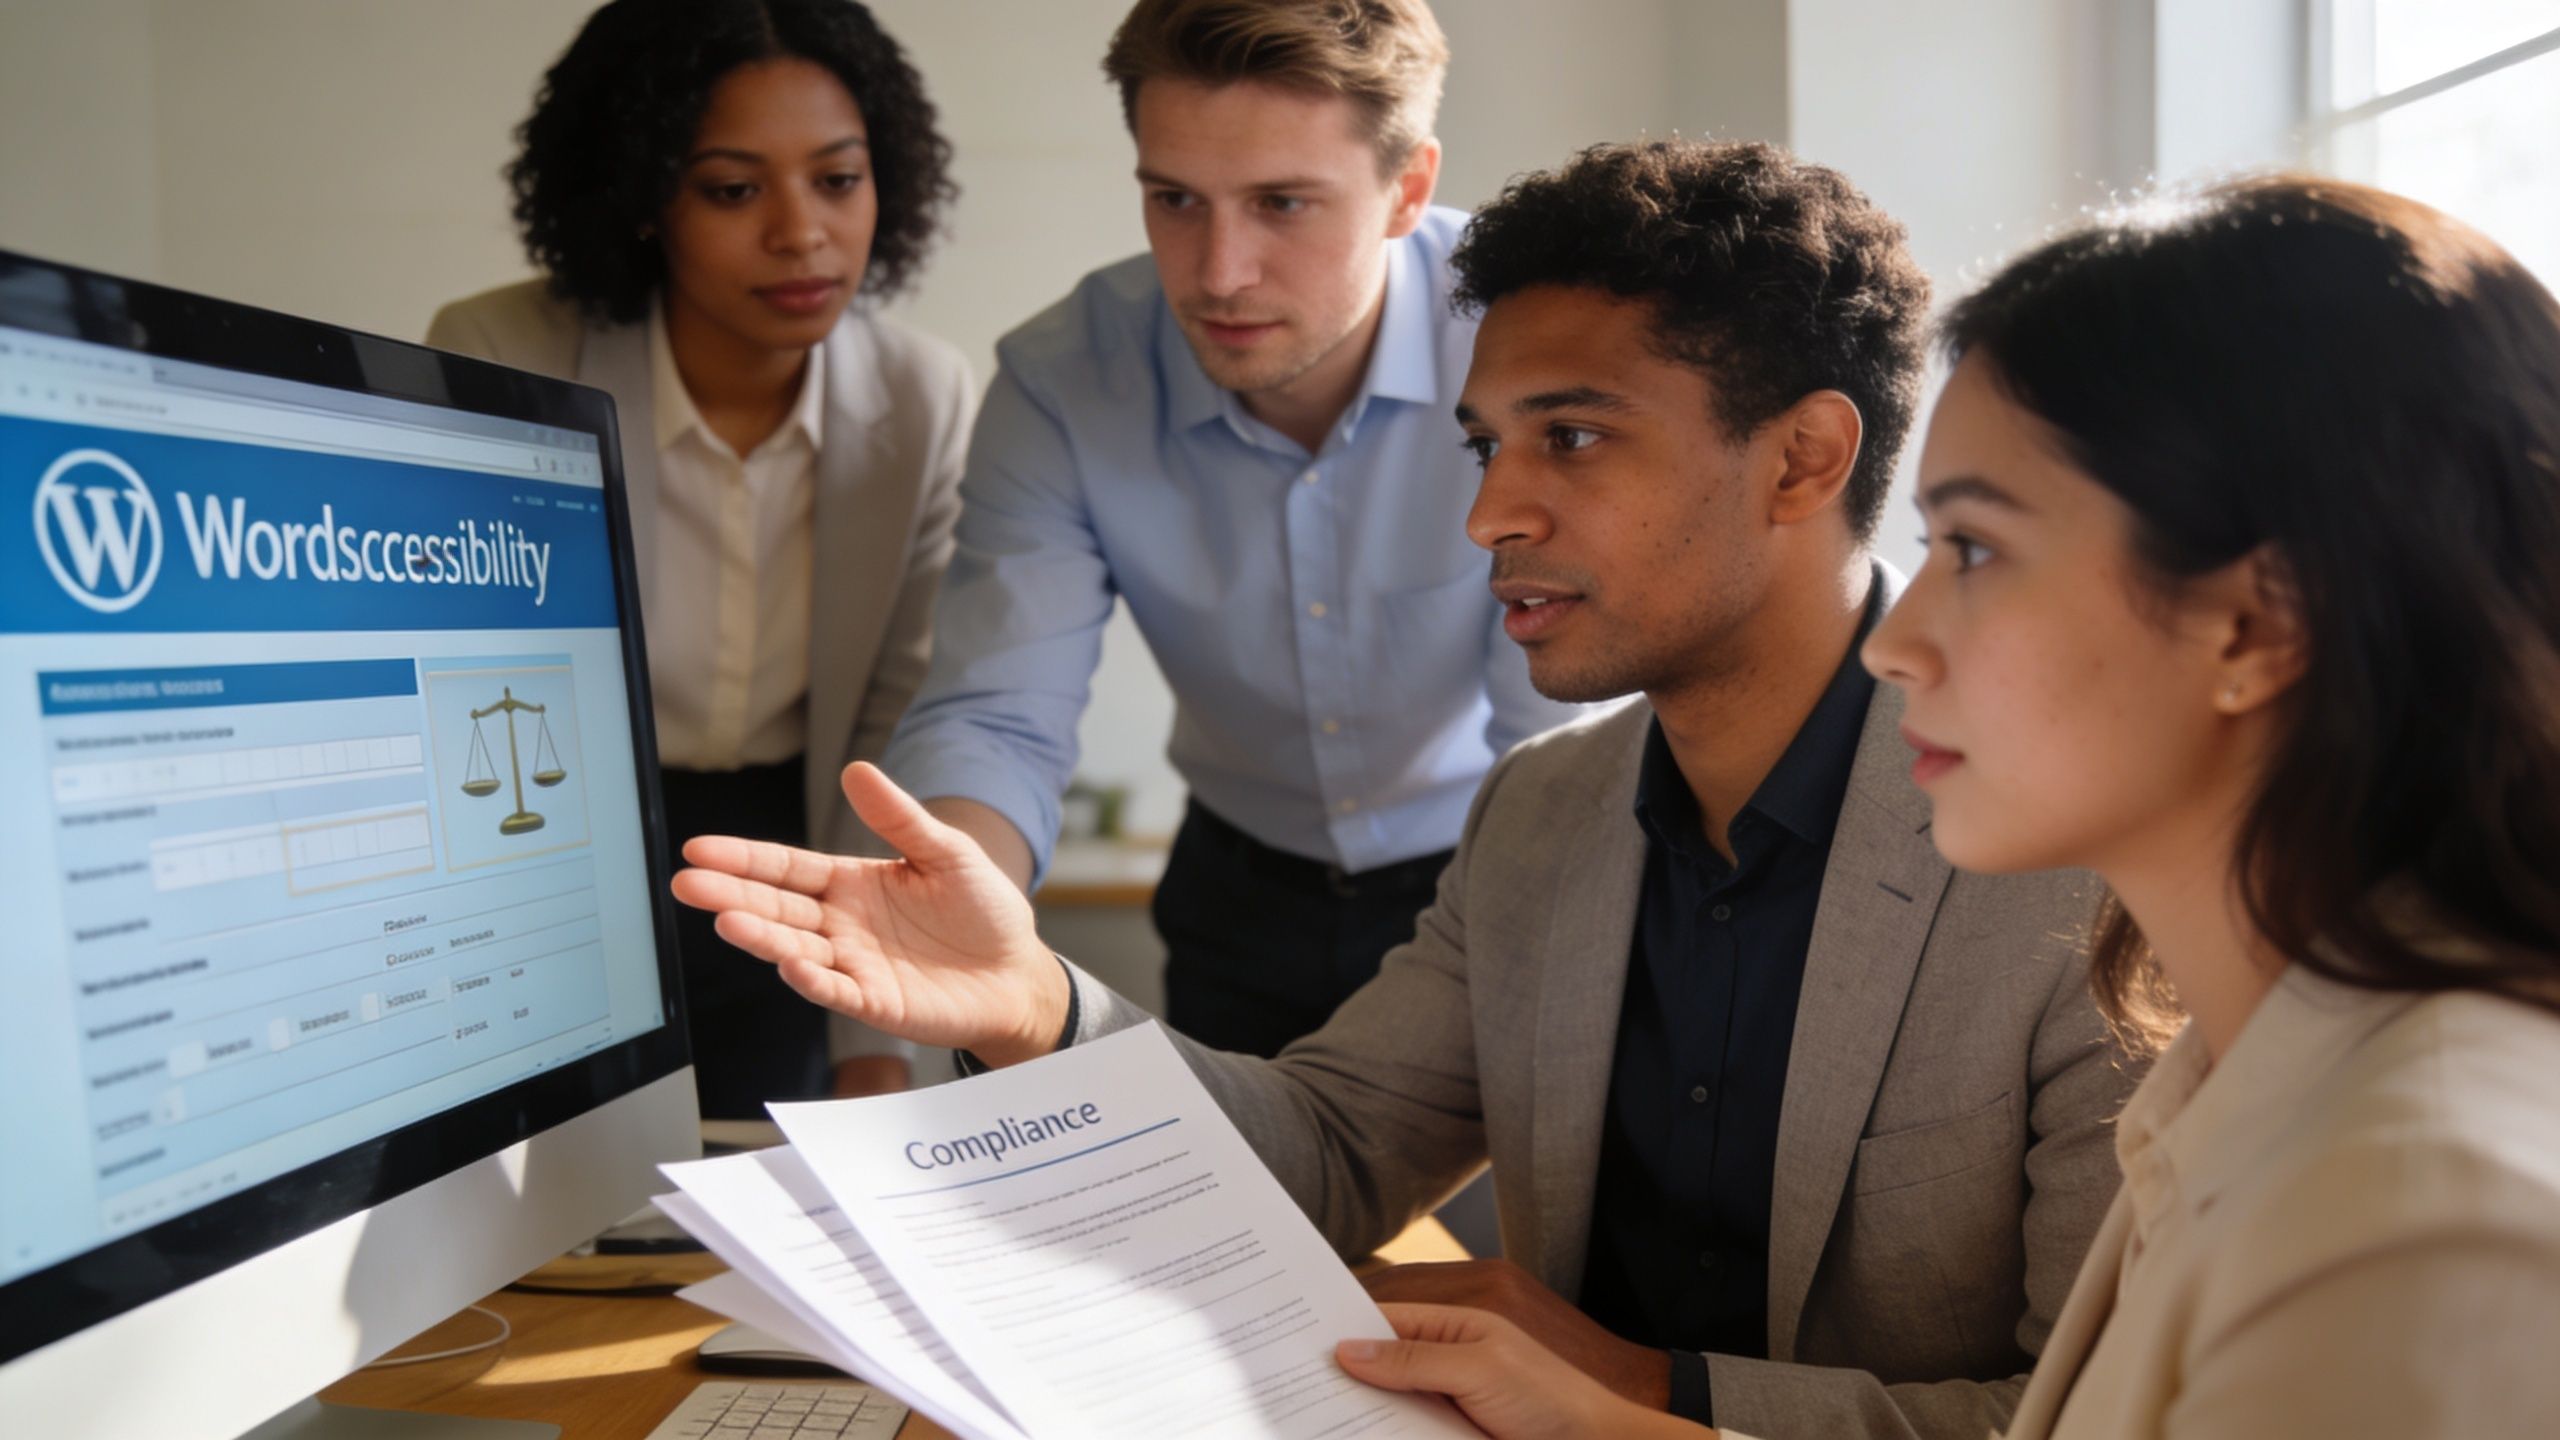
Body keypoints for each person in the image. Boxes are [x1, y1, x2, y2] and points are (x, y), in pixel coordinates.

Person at [672, 140, 2141, 1440]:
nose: (1491, 513)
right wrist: (1035, 1006)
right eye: (1487, 446)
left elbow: (2095, 1416)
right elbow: (1326, 1154)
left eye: (1571, 437)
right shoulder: (1545, 814)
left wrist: (1643, 1392)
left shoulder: (2081, 866)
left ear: (1804, 458)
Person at [1336, 177, 2560, 1437]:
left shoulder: (2430, 1217)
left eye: (1971, 549)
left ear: (2255, 623)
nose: (1898, 638)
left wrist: (1621, 1405)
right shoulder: (2247, 1067)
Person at [874, 0, 1579, 1057]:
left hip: (1504, 857)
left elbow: (1562, 731)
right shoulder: (1065, 379)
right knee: (1245, 1213)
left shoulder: (1537, 345)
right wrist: (956, 906)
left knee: (1510, 1225)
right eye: (1175, 200)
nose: (1217, 273)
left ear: (1408, 190)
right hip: (1237, 897)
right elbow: (997, 716)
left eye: (1283, 202)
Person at [427, 0, 972, 1112]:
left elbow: (894, 716)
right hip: (557, 844)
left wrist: (874, 1038)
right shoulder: (502, 354)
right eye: (733, 189)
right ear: (641, 201)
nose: (802, 233)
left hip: (797, 857)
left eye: (838, 178)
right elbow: (472, 696)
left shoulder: (921, 398)